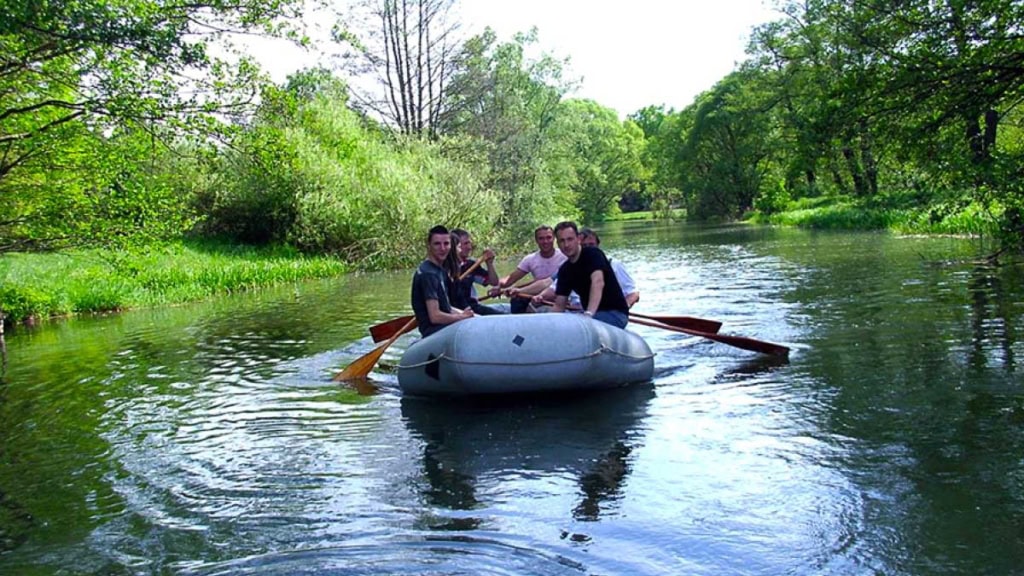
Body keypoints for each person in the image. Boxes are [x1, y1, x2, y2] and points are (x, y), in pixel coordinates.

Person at [545, 221, 629, 328]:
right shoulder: (565, 270)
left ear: (578, 239)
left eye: (570, 239)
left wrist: (589, 314)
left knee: (577, 328)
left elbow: (598, 282)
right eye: (562, 241)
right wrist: (544, 323)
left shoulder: (593, 254)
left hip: (614, 313)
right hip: (590, 316)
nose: (566, 245)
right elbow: (559, 306)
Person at [534, 227, 639, 309]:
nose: (588, 249)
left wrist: (624, 307)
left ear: (598, 244)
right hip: (574, 312)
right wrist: (541, 296)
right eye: (584, 245)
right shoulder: (570, 266)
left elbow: (633, 293)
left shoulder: (613, 264)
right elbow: (554, 288)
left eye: (591, 245)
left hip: (603, 312)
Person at [411, 225, 474, 337]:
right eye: (437, 244)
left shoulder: (439, 270)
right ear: (429, 245)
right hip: (433, 332)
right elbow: (435, 316)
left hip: (443, 328)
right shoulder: (428, 274)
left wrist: (468, 315)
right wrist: (462, 317)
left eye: (446, 244)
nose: (443, 248)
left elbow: (447, 307)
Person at [492, 225, 567, 313]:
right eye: (541, 238)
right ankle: (518, 323)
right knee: (517, 299)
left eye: (548, 238)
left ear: (554, 238)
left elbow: (548, 282)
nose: (545, 241)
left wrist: (520, 290)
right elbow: (509, 280)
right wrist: (497, 286)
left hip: (557, 294)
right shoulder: (530, 259)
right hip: (536, 294)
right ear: (536, 240)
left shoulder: (565, 256)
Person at [450, 228, 505, 315]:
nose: (469, 247)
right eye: (465, 244)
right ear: (455, 247)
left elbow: (494, 282)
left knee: (503, 314)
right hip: (457, 311)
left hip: (473, 308)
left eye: (469, 243)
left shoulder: (470, 265)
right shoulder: (444, 268)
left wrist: (489, 264)